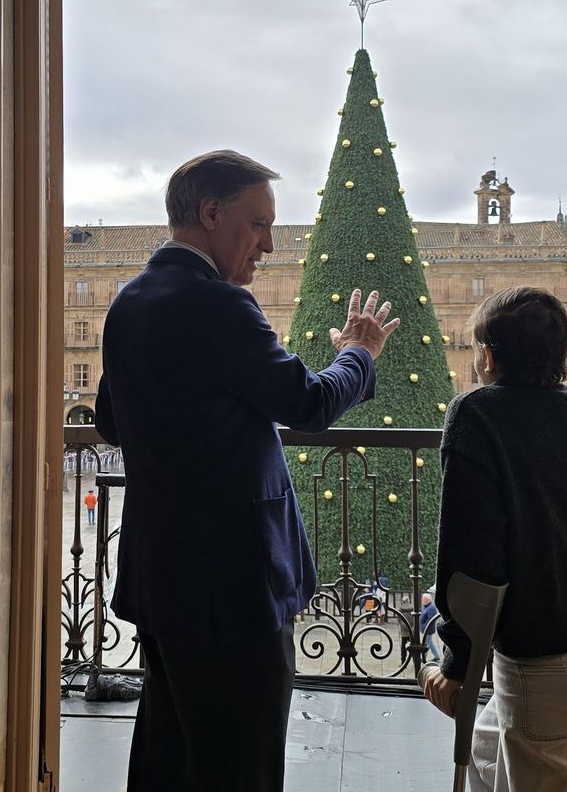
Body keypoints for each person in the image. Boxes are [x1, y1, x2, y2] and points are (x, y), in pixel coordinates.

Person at [96, 150, 400, 792]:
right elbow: (308, 403)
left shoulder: (129, 302)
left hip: (162, 576)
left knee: (168, 752)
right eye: (258, 224)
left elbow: (108, 420)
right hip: (231, 586)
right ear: (211, 213)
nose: (268, 244)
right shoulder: (220, 305)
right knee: (242, 764)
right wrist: (359, 354)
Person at [420, 286, 567, 792]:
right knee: (485, 750)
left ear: (488, 356)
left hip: (546, 662)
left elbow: (472, 559)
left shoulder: (476, 413)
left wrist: (455, 664)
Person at [418, 589, 441, 662]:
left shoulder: (431, 608)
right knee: (430, 643)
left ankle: (423, 657)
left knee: (426, 644)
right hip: (425, 629)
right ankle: (437, 656)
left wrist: (424, 627)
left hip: (428, 630)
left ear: (426, 600)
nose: (421, 600)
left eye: (423, 599)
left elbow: (430, 620)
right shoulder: (426, 606)